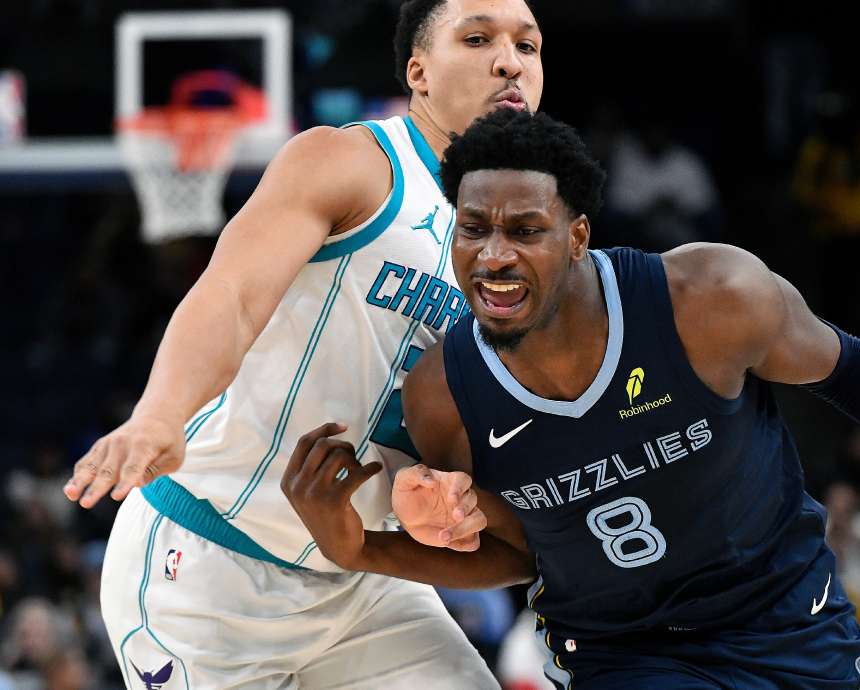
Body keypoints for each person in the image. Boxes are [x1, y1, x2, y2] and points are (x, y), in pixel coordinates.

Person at [283, 109, 860, 689]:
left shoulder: (707, 300)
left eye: (525, 230)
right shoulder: (446, 394)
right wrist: (365, 549)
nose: (493, 255)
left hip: (783, 619)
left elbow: (853, 367)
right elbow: (518, 556)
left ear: (580, 235)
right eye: (472, 230)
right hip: (620, 653)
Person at [61, 0, 543, 686]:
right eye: (477, 38)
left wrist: (456, 496)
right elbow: (232, 296)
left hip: (363, 576)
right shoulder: (352, 164)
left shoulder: (532, 249)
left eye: (528, 46)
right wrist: (160, 414)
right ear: (419, 72)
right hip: (208, 571)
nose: (510, 60)